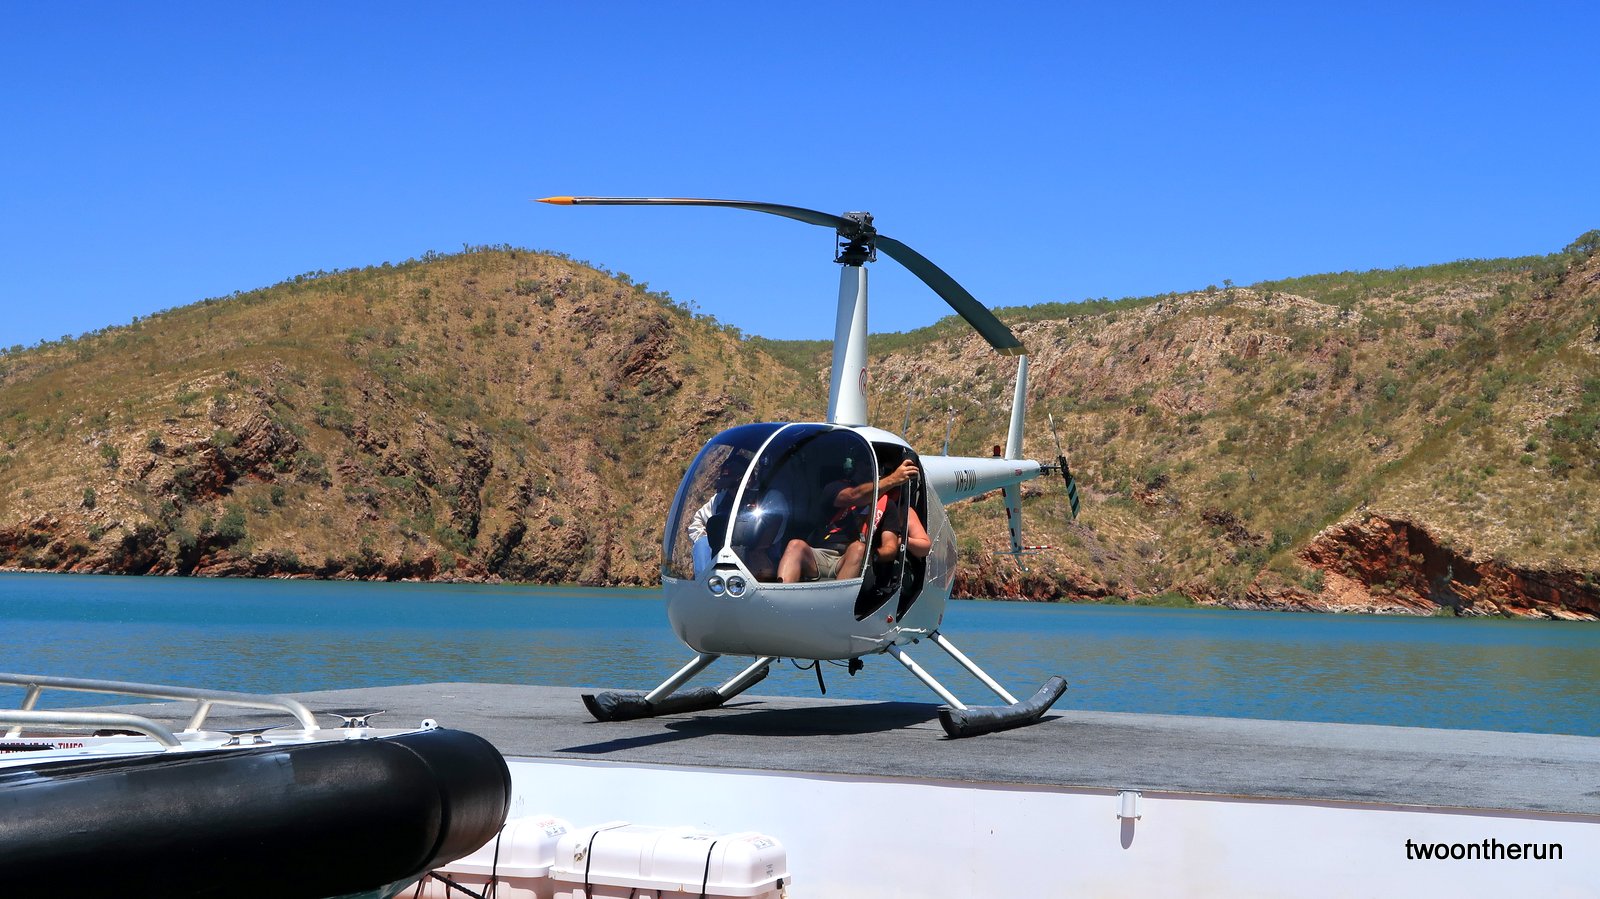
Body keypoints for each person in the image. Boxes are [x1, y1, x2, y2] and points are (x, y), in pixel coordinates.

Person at [777, 453, 921, 583]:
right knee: (795, 545)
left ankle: (835, 606)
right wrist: (893, 479)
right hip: (822, 554)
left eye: (874, 465)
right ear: (856, 465)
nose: (869, 468)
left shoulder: (887, 505)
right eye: (866, 463)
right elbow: (854, 496)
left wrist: (872, 555)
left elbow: (890, 549)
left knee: (858, 549)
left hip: (857, 560)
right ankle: (779, 603)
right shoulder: (834, 489)